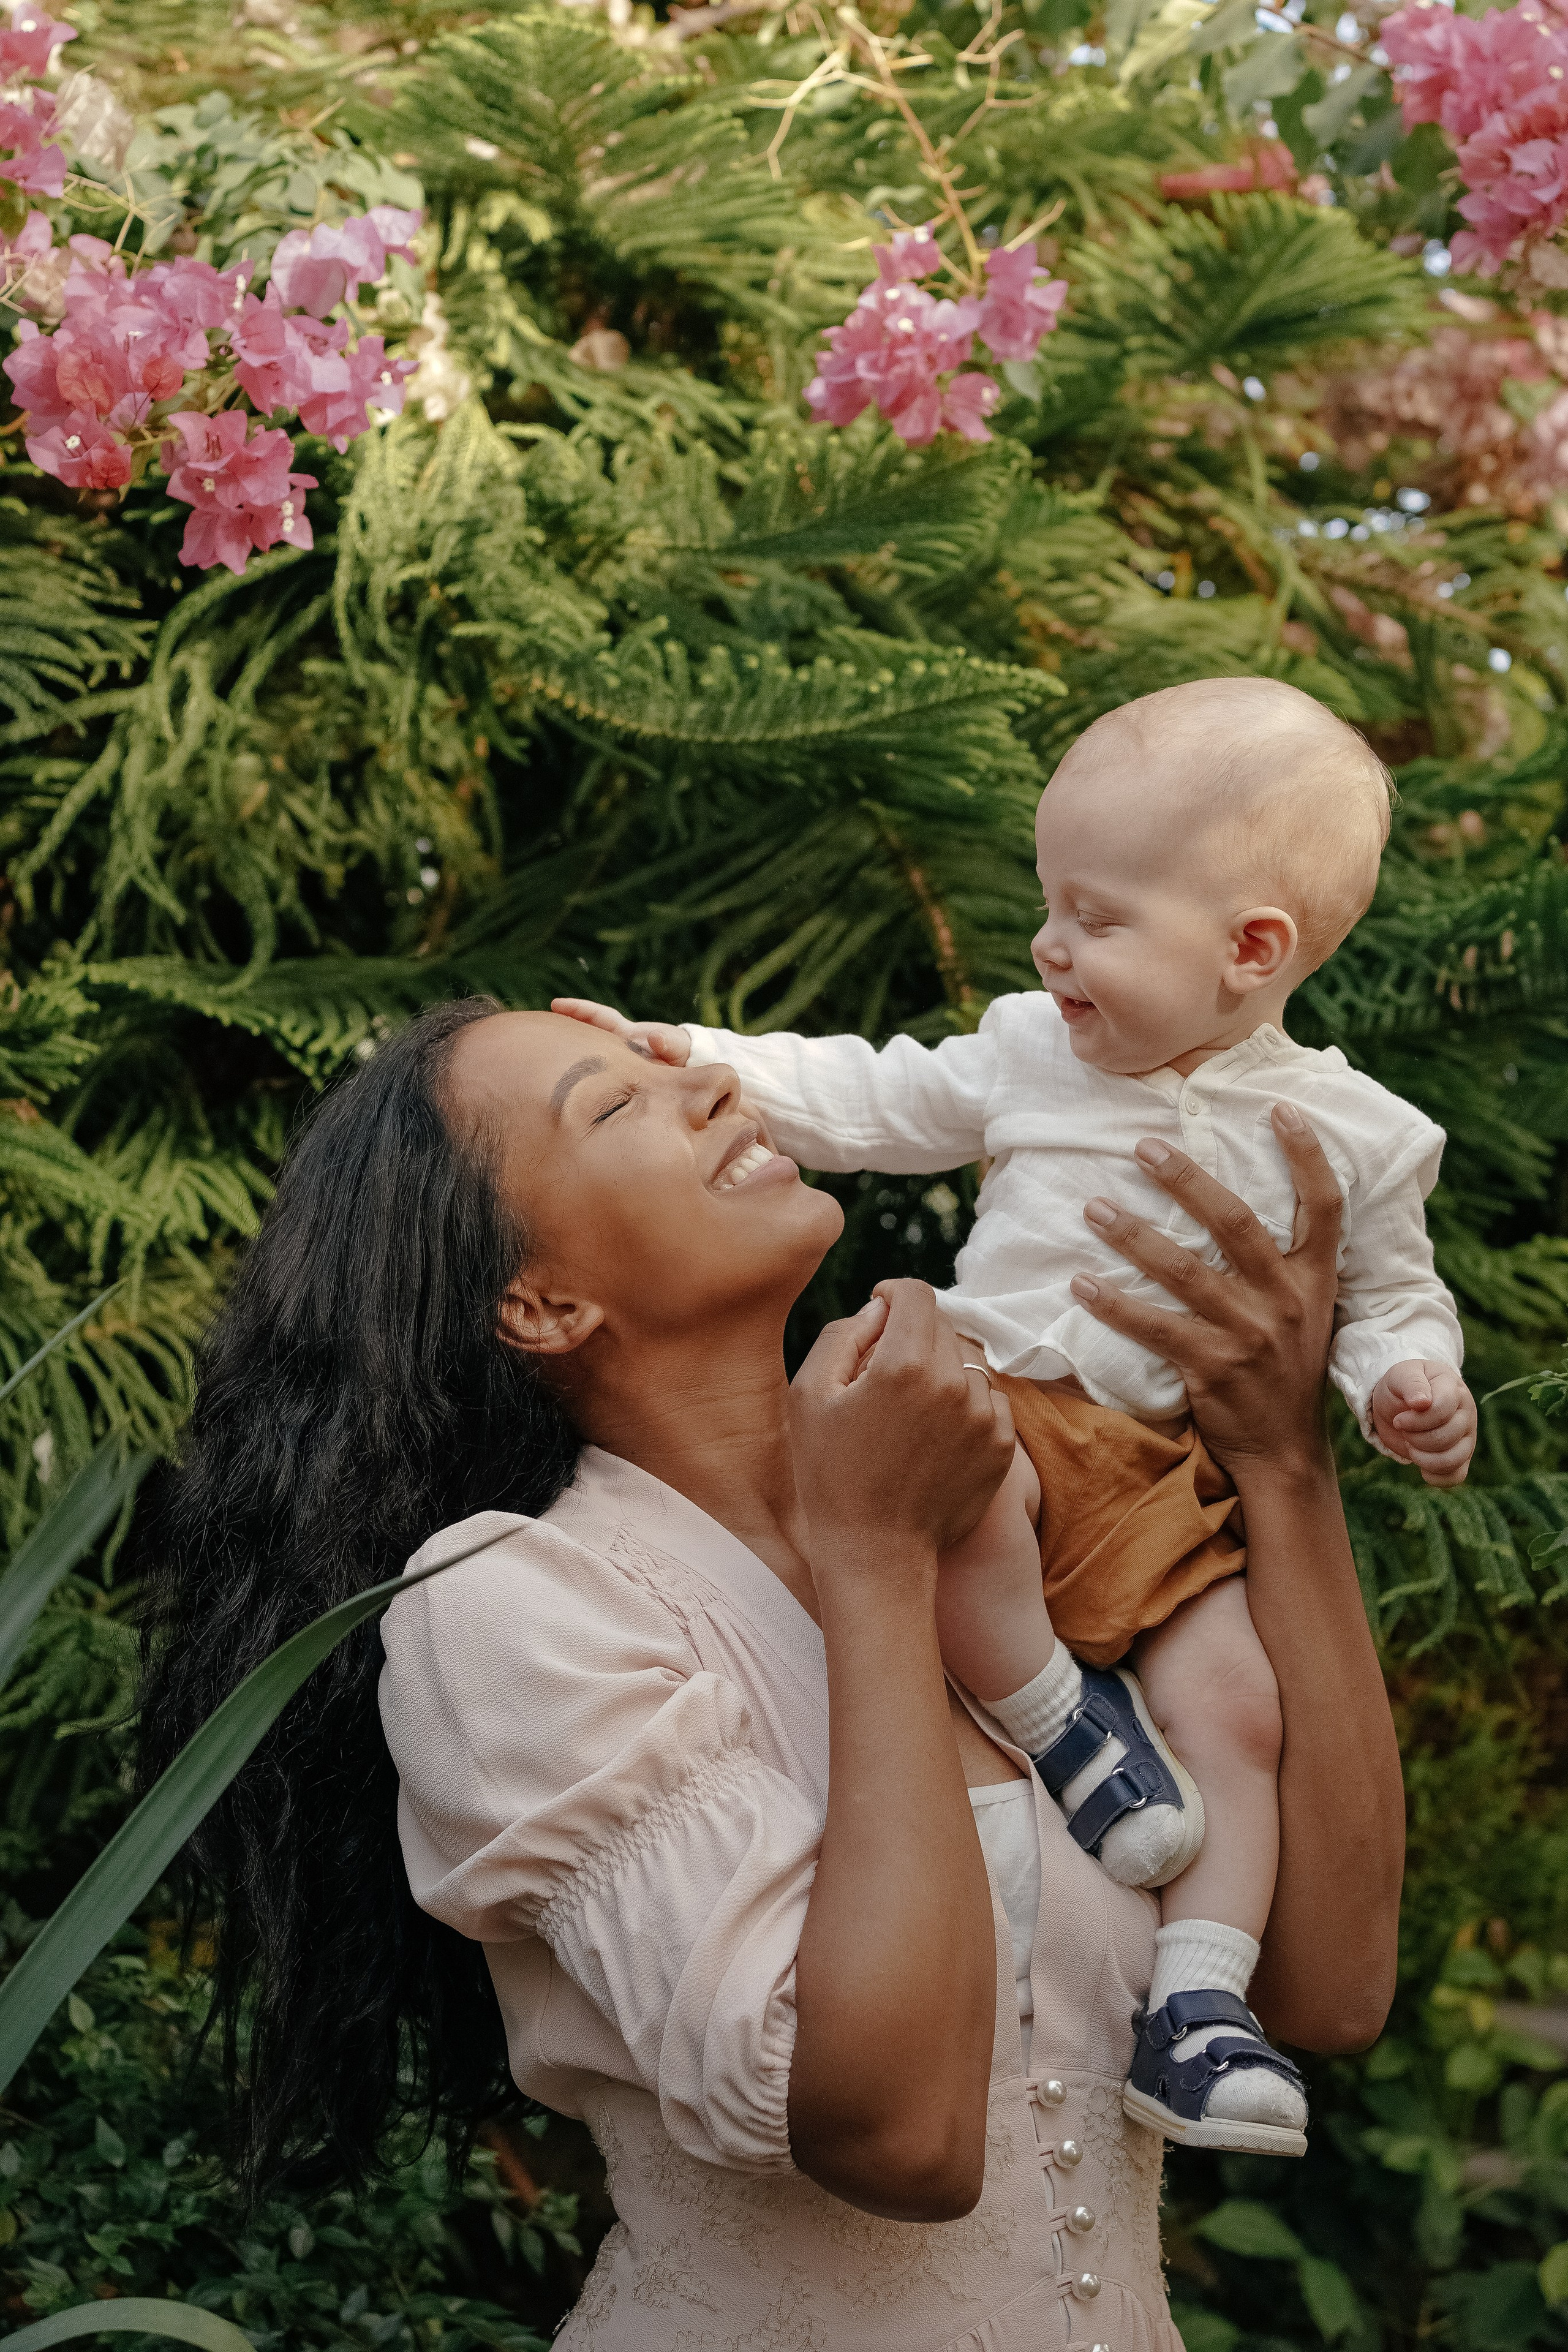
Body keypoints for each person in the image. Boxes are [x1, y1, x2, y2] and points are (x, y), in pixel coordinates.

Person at [136, 996, 1404, 2352]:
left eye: (663, 1060)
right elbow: (899, 2140)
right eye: (615, 1103)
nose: (701, 1084)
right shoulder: (509, 1607)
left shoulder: (988, 1496)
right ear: (541, 1301)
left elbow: (1324, 1990)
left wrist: (1279, 1458)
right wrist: (869, 1566)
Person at [552, 674, 1466, 2159]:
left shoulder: (1358, 1137)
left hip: (1173, 1478)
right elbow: (859, 1098)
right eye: (1048, 906)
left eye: (1093, 919)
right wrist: (685, 1059)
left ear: (1251, 951)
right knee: (931, 1427)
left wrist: (1401, 1387)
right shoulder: (1028, 1055)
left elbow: (1389, 1300)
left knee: (1237, 1709)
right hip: (1009, 1409)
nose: (1047, 946)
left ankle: (1199, 2001)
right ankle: (1059, 1715)